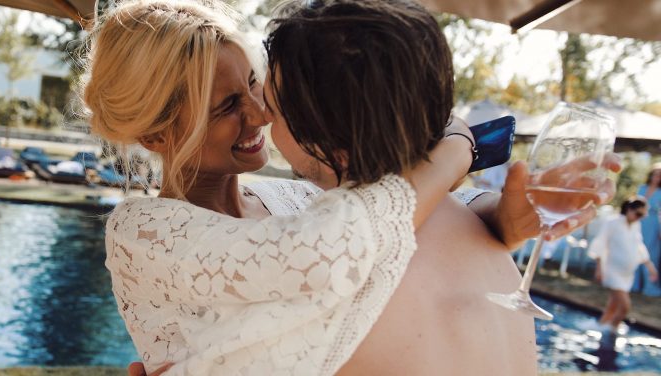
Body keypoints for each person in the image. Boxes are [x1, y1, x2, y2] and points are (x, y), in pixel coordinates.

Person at [81, 1, 618, 374]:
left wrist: (502, 214)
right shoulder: (141, 233)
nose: (261, 113)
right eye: (226, 107)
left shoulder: (306, 203)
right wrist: (457, 151)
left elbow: (385, 218)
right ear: (156, 132)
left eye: (253, 85)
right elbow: (336, 244)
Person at [589, 197, 658, 334]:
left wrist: (649, 266)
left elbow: (638, 246)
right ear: (628, 209)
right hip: (612, 270)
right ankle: (612, 330)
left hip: (626, 274)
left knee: (613, 305)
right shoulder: (613, 223)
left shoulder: (635, 225)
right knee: (625, 306)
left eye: (643, 216)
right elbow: (600, 243)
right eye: (638, 214)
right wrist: (599, 268)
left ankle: (601, 326)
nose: (640, 218)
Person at [632, 164, 661, 296]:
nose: (657, 177)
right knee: (635, 252)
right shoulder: (642, 188)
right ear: (651, 175)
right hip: (639, 222)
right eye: (656, 174)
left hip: (654, 224)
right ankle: (634, 284)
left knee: (651, 254)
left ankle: (650, 287)